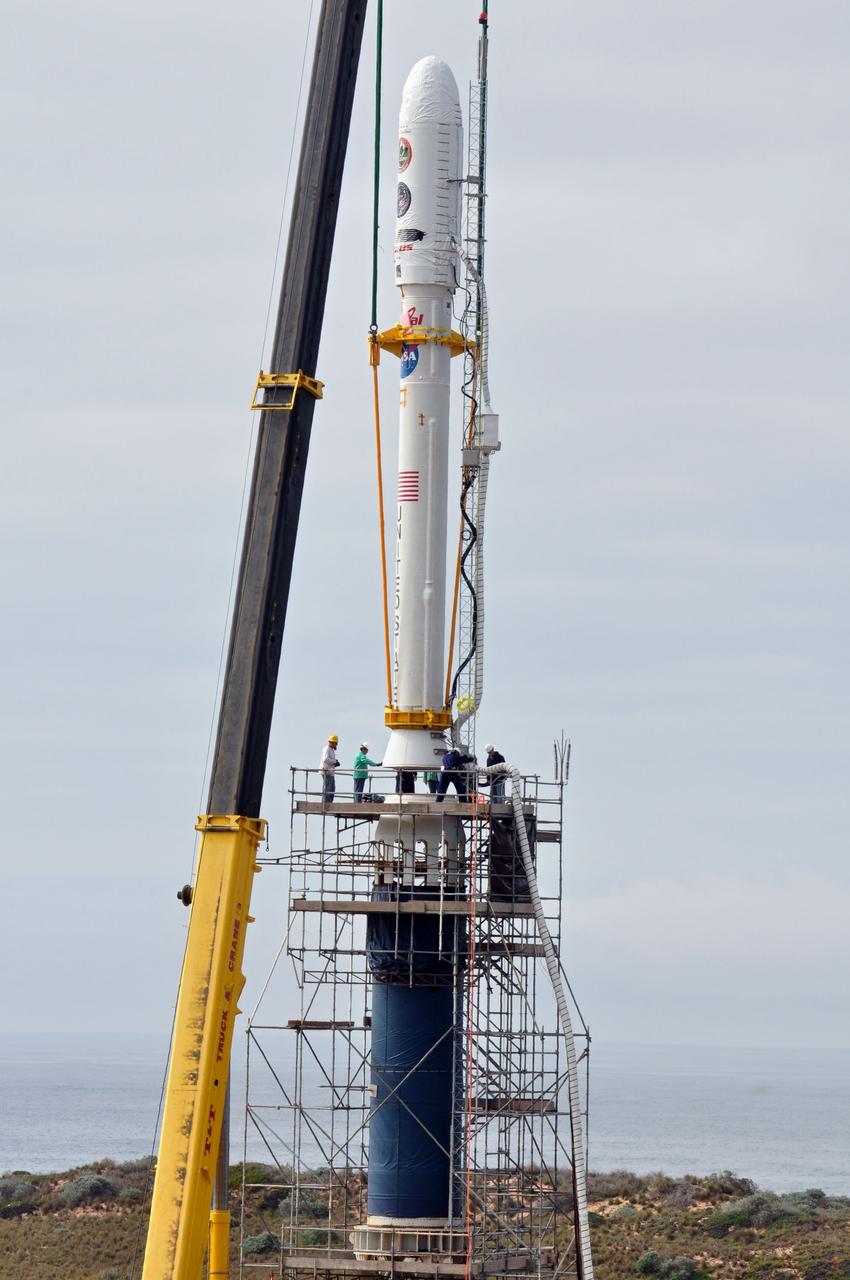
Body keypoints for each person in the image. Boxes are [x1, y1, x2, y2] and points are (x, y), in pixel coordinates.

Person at [320, 734, 340, 804]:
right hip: (326, 771)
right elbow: (325, 759)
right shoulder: (327, 749)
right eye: (335, 743)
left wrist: (335, 763)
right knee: (328, 789)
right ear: (333, 742)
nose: (336, 745)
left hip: (330, 772)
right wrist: (334, 762)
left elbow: (329, 759)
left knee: (332, 789)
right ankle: (325, 803)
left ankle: (329, 803)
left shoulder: (331, 750)